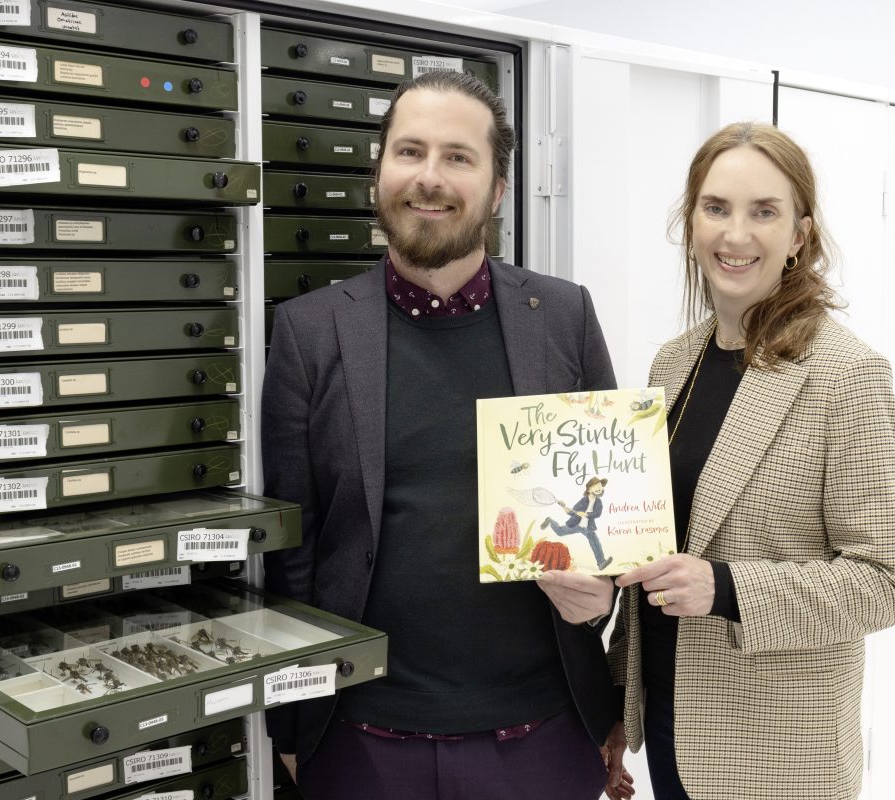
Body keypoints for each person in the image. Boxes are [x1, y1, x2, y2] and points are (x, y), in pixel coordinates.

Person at [260, 70, 627, 800]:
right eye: (410, 152)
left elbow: (611, 516)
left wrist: (605, 591)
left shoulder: (563, 318)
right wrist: (293, 731)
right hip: (361, 743)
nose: (429, 178)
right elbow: (291, 551)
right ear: (379, 173)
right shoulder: (309, 331)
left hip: (543, 740)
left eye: (458, 157)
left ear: (496, 190)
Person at [603, 122, 895, 800]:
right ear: (690, 222)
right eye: (716, 208)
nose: (735, 235)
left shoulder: (848, 374)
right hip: (668, 724)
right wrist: (615, 700)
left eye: (764, 212)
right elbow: (650, 547)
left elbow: (889, 582)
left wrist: (726, 587)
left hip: (777, 752)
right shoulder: (672, 362)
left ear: (800, 234)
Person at [543, 477, 613, 569]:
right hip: (576, 524)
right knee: (560, 532)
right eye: (596, 486)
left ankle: (601, 563)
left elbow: (597, 514)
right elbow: (572, 512)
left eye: (600, 486)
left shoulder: (598, 501)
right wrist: (564, 506)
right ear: (589, 489)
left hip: (588, 527)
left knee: (595, 542)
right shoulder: (583, 500)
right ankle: (550, 521)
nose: (599, 488)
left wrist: (585, 514)